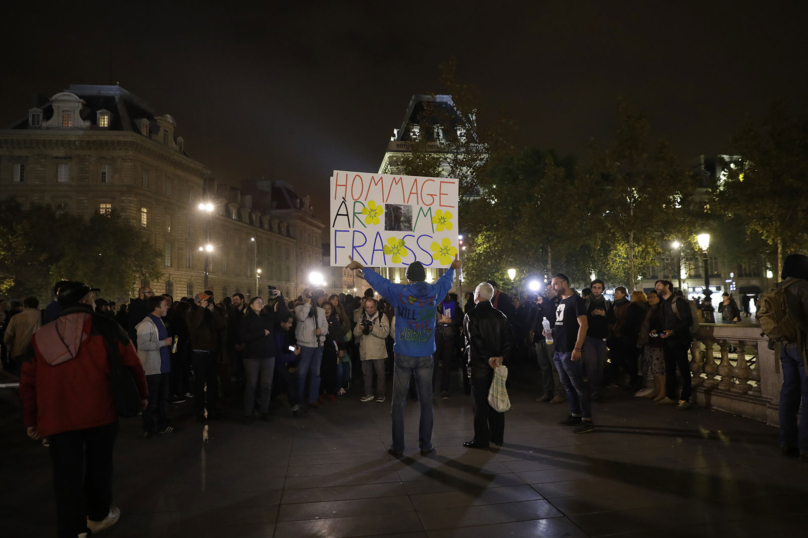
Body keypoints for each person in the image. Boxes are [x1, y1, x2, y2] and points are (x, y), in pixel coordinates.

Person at [20, 281, 148, 538]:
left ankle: (71, 528)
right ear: (87, 300)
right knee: (99, 465)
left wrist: (31, 419)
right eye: (91, 296)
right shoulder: (108, 327)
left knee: (65, 474)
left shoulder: (41, 336)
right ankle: (98, 515)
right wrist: (142, 396)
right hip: (100, 412)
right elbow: (133, 364)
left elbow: (28, 383)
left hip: (57, 417)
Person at [347, 256, 458, 457]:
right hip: (425, 354)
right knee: (426, 402)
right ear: (424, 277)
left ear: (408, 279)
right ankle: (426, 445)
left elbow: (380, 283)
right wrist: (452, 268)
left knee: (398, 402)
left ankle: (398, 446)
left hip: (404, 354)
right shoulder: (434, 293)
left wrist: (363, 267)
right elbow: (445, 282)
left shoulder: (400, 294)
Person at [463, 282, 513, 448]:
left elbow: (474, 341)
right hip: (497, 365)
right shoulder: (501, 316)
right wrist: (500, 357)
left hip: (479, 366)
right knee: (496, 401)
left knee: (479, 405)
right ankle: (497, 436)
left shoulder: (471, 315)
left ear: (477, 295)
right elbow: (509, 340)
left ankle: (481, 439)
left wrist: (488, 358)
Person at [551, 273, 594, 434]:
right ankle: (576, 414)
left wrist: (577, 348)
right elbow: (563, 324)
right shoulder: (561, 300)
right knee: (568, 385)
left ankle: (587, 419)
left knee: (578, 385)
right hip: (559, 349)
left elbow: (583, 325)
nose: (553, 287)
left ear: (564, 283)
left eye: (555, 284)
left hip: (569, 350)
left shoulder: (576, 300)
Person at [775, 254, 808, 460]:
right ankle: (805, 445)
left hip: (784, 346)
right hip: (803, 347)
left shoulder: (777, 287)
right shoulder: (803, 287)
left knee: (788, 392)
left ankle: (787, 442)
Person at [239, 292, 289, 420]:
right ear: (251, 305)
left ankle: (264, 410)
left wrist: (280, 297)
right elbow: (243, 337)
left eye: (262, 302)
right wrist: (261, 333)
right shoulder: (245, 319)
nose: (261, 304)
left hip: (268, 355)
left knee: (266, 384)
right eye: (258, 302)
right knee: (251, 385)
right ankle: (248, 412)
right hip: (252, 356)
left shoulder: (267, 317)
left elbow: (283, 313)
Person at [136, 295, 177, 437]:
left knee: (162, 399)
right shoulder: (146, 324)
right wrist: (163, 343)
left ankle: (162, 424)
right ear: (157, 307)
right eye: (165, 305)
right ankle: (149, 428)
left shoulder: (159, 321)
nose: (167, 307)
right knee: (151, 401)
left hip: (163, 367)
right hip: (152, 369)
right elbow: (142, 345)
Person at [655, 279, 694, 410]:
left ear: (667, 286)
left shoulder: (679, 302)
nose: (657, 288)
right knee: (670, 369)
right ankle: (670, 396)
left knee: (683, 369)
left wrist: (673, 332)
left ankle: (685, 398)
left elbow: (688, 322)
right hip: (667, 340)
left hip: (680, 340)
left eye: (659, 286)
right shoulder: (663, 304)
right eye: (656, 287)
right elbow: (663, 322)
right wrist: (657, 330)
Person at [188, 292, 227, 421]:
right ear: (198, 302)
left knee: (213, 383)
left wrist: (213, 311)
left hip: (212, 352)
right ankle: (198, 411)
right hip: (198, 353)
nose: (208, 303)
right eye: (205, 301)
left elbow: (222, 325)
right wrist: (201, 309)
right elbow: (194, 325)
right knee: (199, 383)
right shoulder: (192, 312)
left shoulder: (211, 313)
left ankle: (212, 410)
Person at [295, 288, 328, 409]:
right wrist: (307, 302)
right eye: (307, 294)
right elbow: (302, 317)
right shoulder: (299, 308)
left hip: (318, 345)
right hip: (304, 345)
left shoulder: (321, 311)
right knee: (301, 373)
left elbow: (325, 327)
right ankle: (298, 400)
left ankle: (313, 398)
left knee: (316, 373)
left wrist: (322, 331)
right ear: (303, 296)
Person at [583, 279, 614, 400]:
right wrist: (592, 314)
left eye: (599, 288)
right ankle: (593, 389)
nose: (596, 290)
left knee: (600, 364)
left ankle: (598, 388)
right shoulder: (585, 302)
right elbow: (580, 319)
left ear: (602, 289)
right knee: (592, 363)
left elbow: (612, 319)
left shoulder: (607, 304)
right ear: (591, 288)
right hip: (589, 337)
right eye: (594, 287)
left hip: (602, 338)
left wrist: (604, 315)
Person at [531, 292, 565, 403]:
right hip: (539, 339)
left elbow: (553, 315)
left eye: (551, 287)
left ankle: (559, 393)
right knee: (544, 368)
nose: (548, 290)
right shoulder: (541, 305)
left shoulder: (558, 302)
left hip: (551, 339)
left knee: (555, 367)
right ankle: (548, 392)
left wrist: (544, 303)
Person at [354, 297, 390, 402]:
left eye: (371, 307)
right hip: (365, 350)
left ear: (375, 307)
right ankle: (368, 393)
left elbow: (385, 333)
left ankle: (381, 394)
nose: (369, 310)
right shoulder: (362, 317)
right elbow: (355, 333)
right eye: (367, 307)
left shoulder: (382, 317)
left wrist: (372, 328)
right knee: (367, 373)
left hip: (378, 350)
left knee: (380, 374)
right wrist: (360, 329)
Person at [636, 290, 666, 400]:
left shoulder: (661, 310)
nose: (650, 299)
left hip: (657, 342)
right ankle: (656, 389)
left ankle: (662, 391)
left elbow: (664, 326)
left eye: (653, 297)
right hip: (648, 341)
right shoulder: (649, 310)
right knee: (653, 368)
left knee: (659, 368)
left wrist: (657, 332)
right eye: (649, 297)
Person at [273, 311, 302, 415]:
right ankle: (294, 406)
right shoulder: (278, 334)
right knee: (289, 381)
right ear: (282, 322)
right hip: (277, 363)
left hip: (282, 361)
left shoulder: (283, 332)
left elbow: (286, 346)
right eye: (289, 323)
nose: (291, 325)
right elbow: (279, 353)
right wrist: (294, 355)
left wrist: (292, 349)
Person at [3, 296, 41, 373]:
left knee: (23, 375)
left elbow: (7, 337)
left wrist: (9, 347)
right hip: (37, 349)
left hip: (20, 351)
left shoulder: (16, 318)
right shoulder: (41, 315)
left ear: (25, 305)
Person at [436, 293, 463, 399]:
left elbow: (460, 319)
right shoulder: (432, 305)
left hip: (448, 338)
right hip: (436, 337)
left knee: (447, 364)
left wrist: (451, 321)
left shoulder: (453, 306)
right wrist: (440, 321)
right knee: (433, 364)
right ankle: (431, 389)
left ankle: (444, 389)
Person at [622, 291, 649, 392]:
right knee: (639, 360)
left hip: (631, 337)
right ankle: (638, 382)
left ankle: (633, 381)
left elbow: (629, 322)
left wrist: (623, 331)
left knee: (630, 359)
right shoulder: (646, 307)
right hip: (641, 336)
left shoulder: (633, 307)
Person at [321, 302, 345, 401]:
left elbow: (338, 335)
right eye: (325, 308)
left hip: (332, 349)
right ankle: (321, 393)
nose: (327, 310)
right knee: (321, 372)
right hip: (321, 349)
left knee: (332, 371)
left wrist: (341, 348)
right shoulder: (318, 319)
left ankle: (330, 392)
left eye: (329, 309)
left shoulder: (333, 320)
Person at [228, 293, 248, 384]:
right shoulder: (232, 312)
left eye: (236, 299)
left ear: (242, 300)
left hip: (246, 344)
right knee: (237, 367)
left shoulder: (248, 312)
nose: (235, 302)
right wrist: (235, 343)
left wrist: (244, 343)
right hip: (235, 344)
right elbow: (231, 329)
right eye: (234, 300)